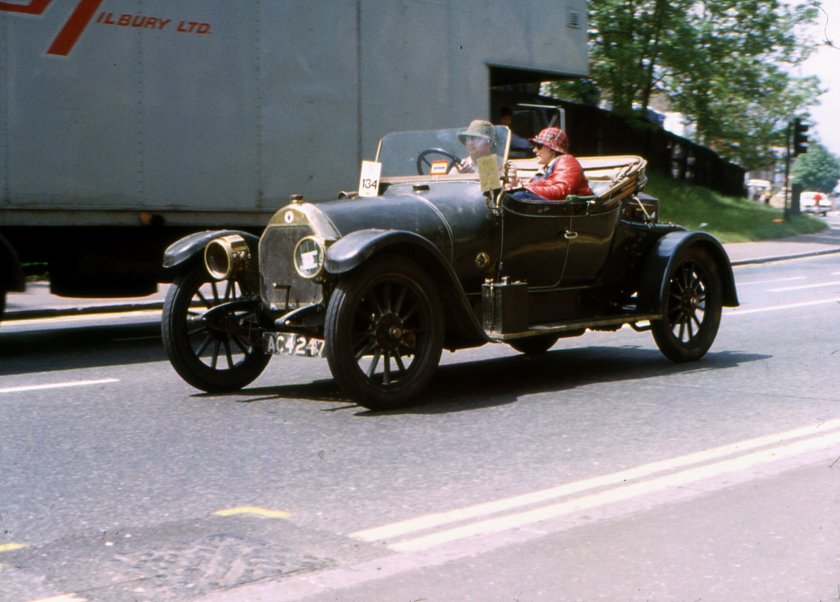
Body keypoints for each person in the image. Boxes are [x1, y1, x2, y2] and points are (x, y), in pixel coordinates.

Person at [508, 126, 593, 201]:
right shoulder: (546, 169)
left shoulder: (567, 161)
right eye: (534, 146)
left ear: (552, 149)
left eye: (539, 146)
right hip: (553, 206)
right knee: (508, 195)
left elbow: (562, 190)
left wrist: (525, 188)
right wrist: (517, 184)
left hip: (568, 209)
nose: (534, 150)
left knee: (519, 197)